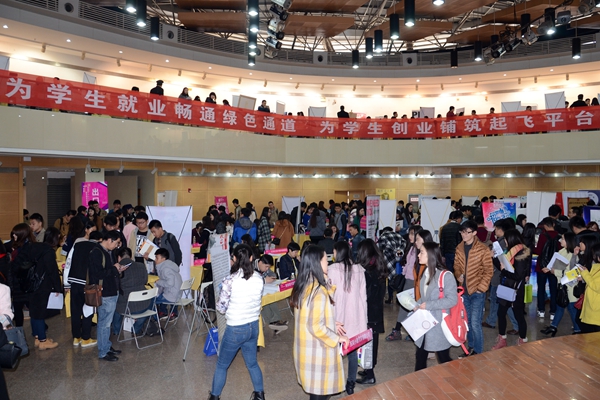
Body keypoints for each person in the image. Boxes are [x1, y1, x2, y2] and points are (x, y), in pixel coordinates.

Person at [291, 245, 349, 400]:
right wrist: (338, 338)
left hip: (306, 348)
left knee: (317, 391)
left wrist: (331, 323)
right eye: (325, 260)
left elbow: (309, 316)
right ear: (317, 262)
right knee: (320, 392)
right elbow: (315, 326)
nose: (328, 262)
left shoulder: (304, 284)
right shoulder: (318, 291)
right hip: (317, 351)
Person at [209, 244, 265, 400]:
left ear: (233, 258)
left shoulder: (229, 280)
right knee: (252, 363)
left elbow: (221, 308)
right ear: (252, 258)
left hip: (235, 328)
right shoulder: (259, 278)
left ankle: (214, 397)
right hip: (253, 326)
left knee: (222, 365)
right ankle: (260, 395)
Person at [9, 223, 62, 350]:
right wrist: (58, 288)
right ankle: (43, 341)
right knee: (39, 313)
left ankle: (38, 338)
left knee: (34, 312)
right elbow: (52, 271)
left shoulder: (30, 247)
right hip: (42, 285)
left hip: (29, 284)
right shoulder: (47, 251)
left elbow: (15, 266)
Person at [328, 241, 366, 395]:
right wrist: (364, 320)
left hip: (337, 318)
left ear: (337, 252)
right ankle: (350, 384)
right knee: (352, 353)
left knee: (333, 352)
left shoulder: (331, 269)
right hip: (355, 317)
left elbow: (328, 296)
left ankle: (333, 384)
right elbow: (363, 297)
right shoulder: (359, 269)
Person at [413, 242, 457, 371]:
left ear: (430, 255)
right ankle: (419, 380)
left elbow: (452, 300)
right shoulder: (425, 272)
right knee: (420, 355)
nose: (418, 255)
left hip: (439, 323)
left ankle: (457, 377)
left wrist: (429, 305)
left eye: (422, 252)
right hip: (425, 322)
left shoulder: (445, 276)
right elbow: (425, 297)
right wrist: (417, 305)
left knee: (443, 357)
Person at [453, 220, 493, 357]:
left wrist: (481, 288)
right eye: (462, 232)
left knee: (475, 323)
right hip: (464, 291)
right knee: (467, 322)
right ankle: (470, 348)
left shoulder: (482, 249)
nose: (464, 235)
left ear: (474, 233)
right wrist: (458, 274)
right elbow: (456, 266)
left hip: (477, 292)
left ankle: (478, 352)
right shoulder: (459, 248)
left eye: (467, 232)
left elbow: (488, 271)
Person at [491, 229, 531, 350]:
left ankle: (522, 339)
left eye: (506, 239)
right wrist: (494, 258)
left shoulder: (521, 255)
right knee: (501, 313)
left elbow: (518, 276)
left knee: (519, 315)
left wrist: (503, 270)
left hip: (516, 289)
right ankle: (502, 339)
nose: (505, 242)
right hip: (507, 286)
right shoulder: (511, 252)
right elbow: (502, 266)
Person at [64, 230, 103, 348]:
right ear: (100, 240)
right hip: (88, 284)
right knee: (88, 310)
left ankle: (76, 338)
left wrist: (66, 284)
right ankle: (86, 338)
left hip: (74, 282)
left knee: (75, 310)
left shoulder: (77, 245)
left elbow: (68, 263)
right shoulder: (97, 248)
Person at [355, 239, 387, 385]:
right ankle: (368, 369)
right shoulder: (378, 266)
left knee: (368, 343)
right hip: (376, 311)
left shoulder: (368, 271)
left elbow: (365, 294)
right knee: (371, 342)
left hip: (369, 312)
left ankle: (370, 374)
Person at [89, 230, 122, 361]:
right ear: (109, 240)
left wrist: (117, 269)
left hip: (111, 290)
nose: (117, 246)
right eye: (116, 243)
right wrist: (114, 269)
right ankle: (103, 351)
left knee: (107, 322)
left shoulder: (107, 251)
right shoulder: (97, 252)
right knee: (104, 323)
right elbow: (97, 274)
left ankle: (106, 346)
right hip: (105, 292)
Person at [541, 232, 581, 336]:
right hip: (562, 285)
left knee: (571, 308)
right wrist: (550, 269)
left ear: (568, 241)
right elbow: (558, 267)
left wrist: (554, 271)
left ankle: (577, 330)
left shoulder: (573, 255)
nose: (560, 241)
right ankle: (553, 326)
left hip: (570, 287)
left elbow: (572, 273)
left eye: (562, 239)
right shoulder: (562, 252)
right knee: (560, 306)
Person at [386, 225, 422, 341]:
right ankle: (411, 331)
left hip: (414, 281)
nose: (410, 236)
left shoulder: (420, 250)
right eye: (410, 233)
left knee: (407, 306)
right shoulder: (411, 248)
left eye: (412, 234)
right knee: (409, 306)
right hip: (408, 280)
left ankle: (398, 330)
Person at [112, 247, 151, 336]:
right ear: (131, 256)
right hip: (143, 303)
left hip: (125, 305)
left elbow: (115, 286)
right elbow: (145, 281)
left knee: (114, 307)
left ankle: (116, 330)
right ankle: (136, 329)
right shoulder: (141, 266)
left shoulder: (117, 269)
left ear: (119, 257)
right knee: (149, 306)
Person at [535, 217, 562, 319]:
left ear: (545, 226)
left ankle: (541, 310)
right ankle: (553, 312)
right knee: (554, 290)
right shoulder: (559, 237)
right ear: (553, 224)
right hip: (555, 267)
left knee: (541, 289)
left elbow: (538, 251)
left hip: (542, 266)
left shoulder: (542, 236)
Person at [254, 254, 287, 332]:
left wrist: (272, 278)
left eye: (268, 267)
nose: (267, 269)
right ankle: (273, 322)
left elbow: (273, 274)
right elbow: (250, 281)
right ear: (260, 262)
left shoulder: (265, 267)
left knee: (271, 298)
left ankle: (277, 321)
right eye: (266, 267)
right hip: (253, 293)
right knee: (264, 300)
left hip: (264, 289)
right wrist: (264, 280)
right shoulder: (250, 266)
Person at [377, 226, 405, 303]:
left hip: (387, 261)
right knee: (398, 279)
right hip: (398, 261)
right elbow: (403, 248)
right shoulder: (399, 236)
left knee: (388, 279)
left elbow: (380, 249)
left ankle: (390, 298)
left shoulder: (383, 237)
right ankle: (399, 299)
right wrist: (397, 254)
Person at [576, 242, 600, 333]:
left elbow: (596, 287)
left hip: (596, 308)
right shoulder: (596, 267)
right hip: (591, 305)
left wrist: (585, 274)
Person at [153, 248, 183, 319]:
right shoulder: (169, 266)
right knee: (162, 293)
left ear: (163, 259)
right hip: (177, 293)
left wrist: (158, 282)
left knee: (152, 300)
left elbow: (170, 283)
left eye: (157, 258)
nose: (155, 260)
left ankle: (155, 319)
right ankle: (164, 312)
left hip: (171, 295)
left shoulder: (165, 269)